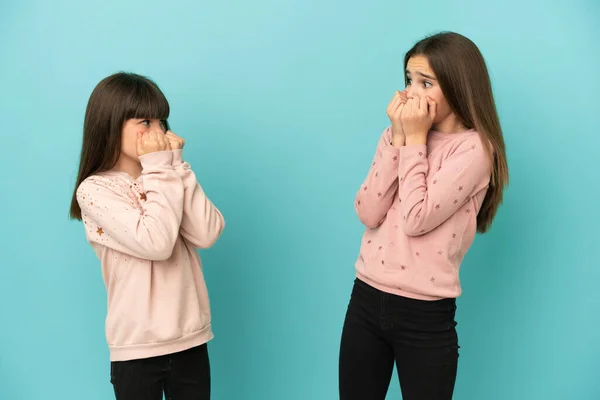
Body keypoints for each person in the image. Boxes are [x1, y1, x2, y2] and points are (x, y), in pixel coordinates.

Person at [339, 31, 509, 400]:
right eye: (409, 80)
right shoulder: (396, 135)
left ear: (458, 86)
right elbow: (368, 211)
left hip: (424, 314)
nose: (412, 92)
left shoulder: (475, 149)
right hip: (366, 298)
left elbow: (416, 219)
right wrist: (399, 139)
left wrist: (413, 139)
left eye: (426, 83)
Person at [69, 72, 225, 400]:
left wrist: (178, 167)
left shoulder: (165, 175)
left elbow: (207, 232)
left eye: (161, 122)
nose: (158, 132)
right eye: (145, 122)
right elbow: (156, 242)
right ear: (111, 124)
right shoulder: (95, 190)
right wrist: (160, 166)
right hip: (137, 348)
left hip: (190, 340)